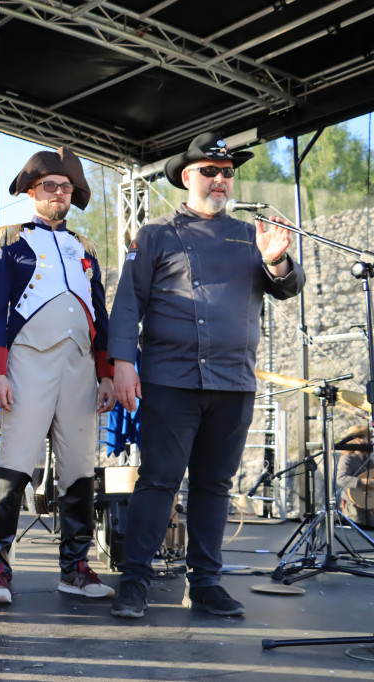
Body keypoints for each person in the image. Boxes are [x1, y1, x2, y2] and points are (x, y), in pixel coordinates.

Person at [108, 132, 304, 619]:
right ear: (186, 176)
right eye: (210, 171)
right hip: (170, 379)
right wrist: (122, 364)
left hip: (232, 381)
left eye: (227, 173)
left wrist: (277, 257)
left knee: (215, 486)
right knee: (158, 480)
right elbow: (127, 302)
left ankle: (207, 583)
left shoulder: (248, 234)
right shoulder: (156, 234)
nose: (220, 179)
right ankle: (135, 581)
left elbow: (288, 287)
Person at [0, 148, 116, 604]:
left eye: (64, 187)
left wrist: (106, 374)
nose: (57, 193)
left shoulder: (85, 249)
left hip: (79, 367)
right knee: (15, 464)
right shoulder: (10, 242)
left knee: (79, 470)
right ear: (33, 192)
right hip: (27, 363)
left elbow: (101, 315)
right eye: (48, 186)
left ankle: (74, 566)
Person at [336, 424, 374, 528]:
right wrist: (363, 482)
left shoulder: (369, 461)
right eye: (369, 438)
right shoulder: (347, 458)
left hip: (369, 505)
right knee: (357, 534)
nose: (372, 441)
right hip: (352, 505)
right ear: (359, 439)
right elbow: (341, 479)